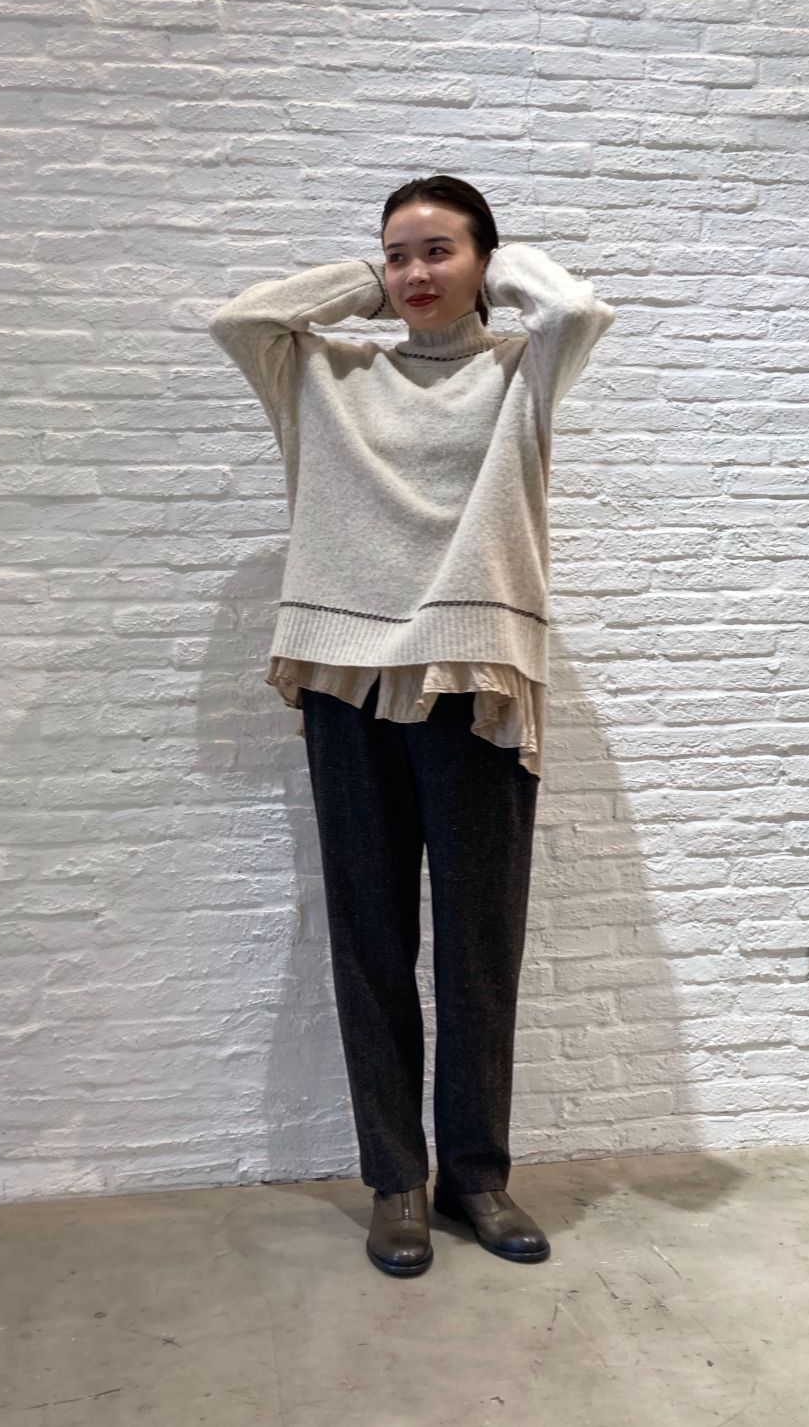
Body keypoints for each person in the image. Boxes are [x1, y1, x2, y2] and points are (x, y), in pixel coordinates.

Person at [207, 174, 617, 1276]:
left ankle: (476, 1176)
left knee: (480, 942)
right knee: (370, 937)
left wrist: (501, 266)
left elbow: (576, 309)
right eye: (396, 253)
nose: (414, 272)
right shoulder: (325, 373)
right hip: (347, 683)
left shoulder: (520, 370)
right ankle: (396, 1177)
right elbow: (238, 320)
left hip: (474, 681)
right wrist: (365, 284)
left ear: (485, 260)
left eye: (438, 250)